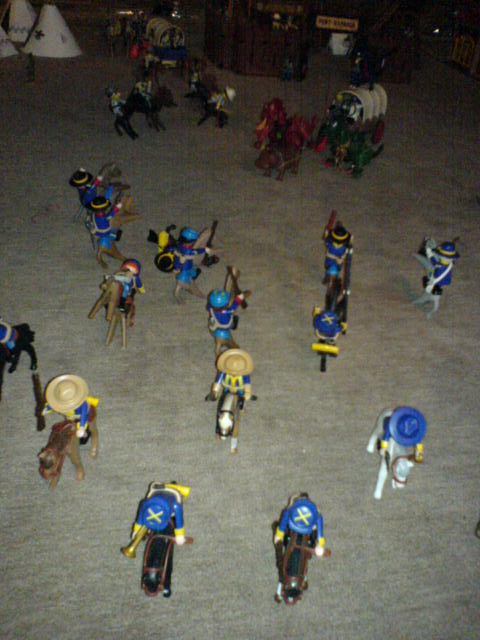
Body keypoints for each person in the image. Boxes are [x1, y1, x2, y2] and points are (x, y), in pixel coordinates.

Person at [126, 482, 190, 597]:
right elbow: (141, 517)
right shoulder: (145, 504)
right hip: (154, 520)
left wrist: (179, 535)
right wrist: (137, 530)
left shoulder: (175, 505)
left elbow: (179, 519)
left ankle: (167, 585)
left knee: (169, 553)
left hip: (168, 517)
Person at [274, 493, 326, 602]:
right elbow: (282, 526)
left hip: (307, 539)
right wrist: (279, 536)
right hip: (290, 537)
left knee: (306, 560)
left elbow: (320, 534)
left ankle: (303, 578)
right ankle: (280, 588)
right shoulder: (289, 512)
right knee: (283, 563)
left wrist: (320, 544)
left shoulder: (316, 516)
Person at [413, 239, 459, 319]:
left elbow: (434, 263)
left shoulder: (441, 266)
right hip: (441, 281)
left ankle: (429, 303)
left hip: (437, 281)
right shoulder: (449, 264)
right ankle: (427, 298)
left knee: (427, 279)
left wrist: (430, 254)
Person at [42, 374, 99, 439]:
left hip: (79, 415)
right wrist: (47, 408)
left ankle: (85, 433)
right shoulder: (60, 400)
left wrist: (82, 427)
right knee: (68, 424)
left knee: (83, 426)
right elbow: (53, 404)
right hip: (69, 415)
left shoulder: (83, 405)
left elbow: (84, 415)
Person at [207, 287, 250, 356]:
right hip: (225, 329)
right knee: (234, 346)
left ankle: (218, 349)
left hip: (216, 328)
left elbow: (209, 306)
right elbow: (236, 303)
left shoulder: (210, 308)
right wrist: (241, 296)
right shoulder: (228, 311)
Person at [173, 227, 211, 304]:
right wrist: (205, 250)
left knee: (193, 272)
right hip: (184, 270)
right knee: (187, 284)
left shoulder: (179, 246)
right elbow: (197, 251)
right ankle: (197, 294)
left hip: (185, 266)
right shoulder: (188, 251)